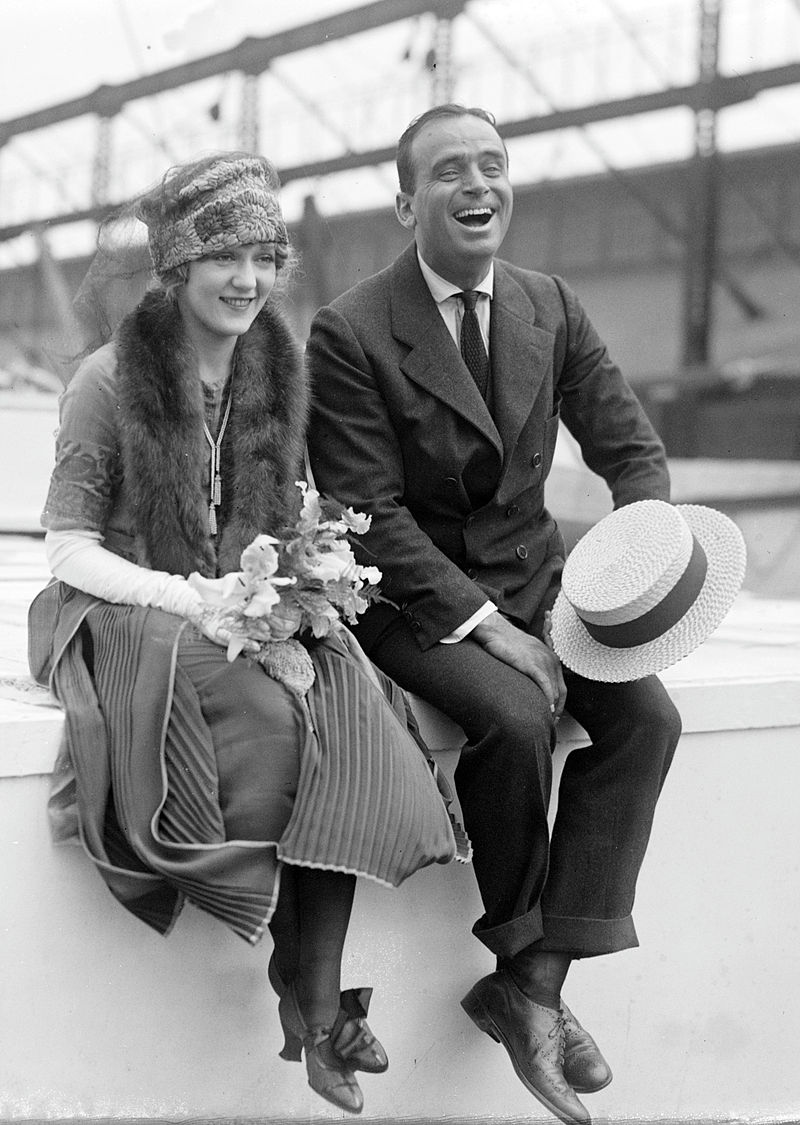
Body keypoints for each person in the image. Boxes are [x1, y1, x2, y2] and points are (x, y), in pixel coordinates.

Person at [28, 152, 466, 1118]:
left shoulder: (281, 367)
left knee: (348, 705)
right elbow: (66, 550)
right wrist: (193, 601)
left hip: (245, 593)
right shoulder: (109, 382)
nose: (248, 279)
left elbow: (279, 504)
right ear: (177, 267)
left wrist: (309, 563)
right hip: (126, 605)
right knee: (273, 721)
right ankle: (314, 1003)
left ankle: (311, 999)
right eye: (225, 255)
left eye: (266, 256)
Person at [306, 105, 683, 1125]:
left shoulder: (546, 304)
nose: (477, 185)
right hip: (411, 603)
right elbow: (368, 517)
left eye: (492, 165)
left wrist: (626, 573)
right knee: (511, 719)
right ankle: (522, 969)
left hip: (540, 588)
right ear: (404, 202)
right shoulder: (347, 331)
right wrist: (492, 630)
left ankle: (533, 981)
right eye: (447, 172)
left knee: (646, 719)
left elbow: (629, 451)